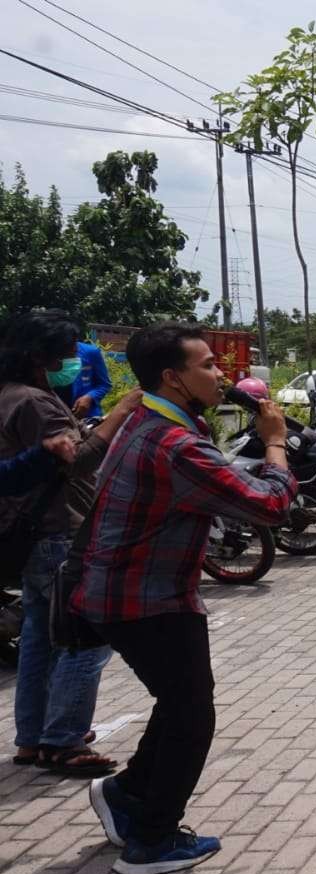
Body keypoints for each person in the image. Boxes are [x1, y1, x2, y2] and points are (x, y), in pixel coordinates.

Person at [76, 321, 297, 874]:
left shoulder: (151, 418)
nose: (220, 374)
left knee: (180, 706)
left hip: (128, 592)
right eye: (207, 366)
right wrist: (274, 440)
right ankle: (151, 841)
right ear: (173, 378)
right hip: (148, 600)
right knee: (191, 719)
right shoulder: (174, 444)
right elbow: (268, 507)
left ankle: (127, 796)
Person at [1, 311, 141, 779]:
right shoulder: (38, 405)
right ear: (40, 356)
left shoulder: (10, 396)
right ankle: (63, 740)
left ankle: (33, 737)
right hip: (57, 532)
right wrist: (121, 413)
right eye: (67, 353)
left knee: (40, 638)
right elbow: (76, 462)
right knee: (84, 637)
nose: (73, 363)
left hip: (32, 534)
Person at [48, 338, 113, 420]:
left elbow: (104, 384)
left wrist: (90, 397)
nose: (75, 350)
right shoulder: (44, 353)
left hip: (86, 417)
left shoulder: (90, 352)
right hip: (53, 417)